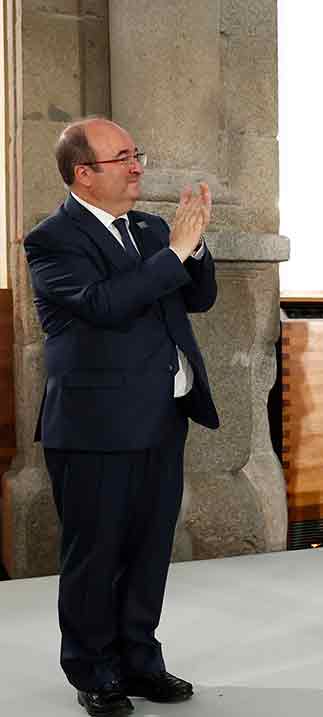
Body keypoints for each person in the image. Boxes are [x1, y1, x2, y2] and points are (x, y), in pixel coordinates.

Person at [24, 118, 218, 715]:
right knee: (96, 552)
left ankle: (140, 659)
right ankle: (92, 668)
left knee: (148, 548)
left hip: (162, 415)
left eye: (137, 154)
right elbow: (104, 306)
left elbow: (196, 296)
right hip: (95, 426)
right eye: (122, 159)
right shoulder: (53, 239)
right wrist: (178, 251)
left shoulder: (152, 228)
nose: (137, 166)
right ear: (84, 174)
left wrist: (197, 244)